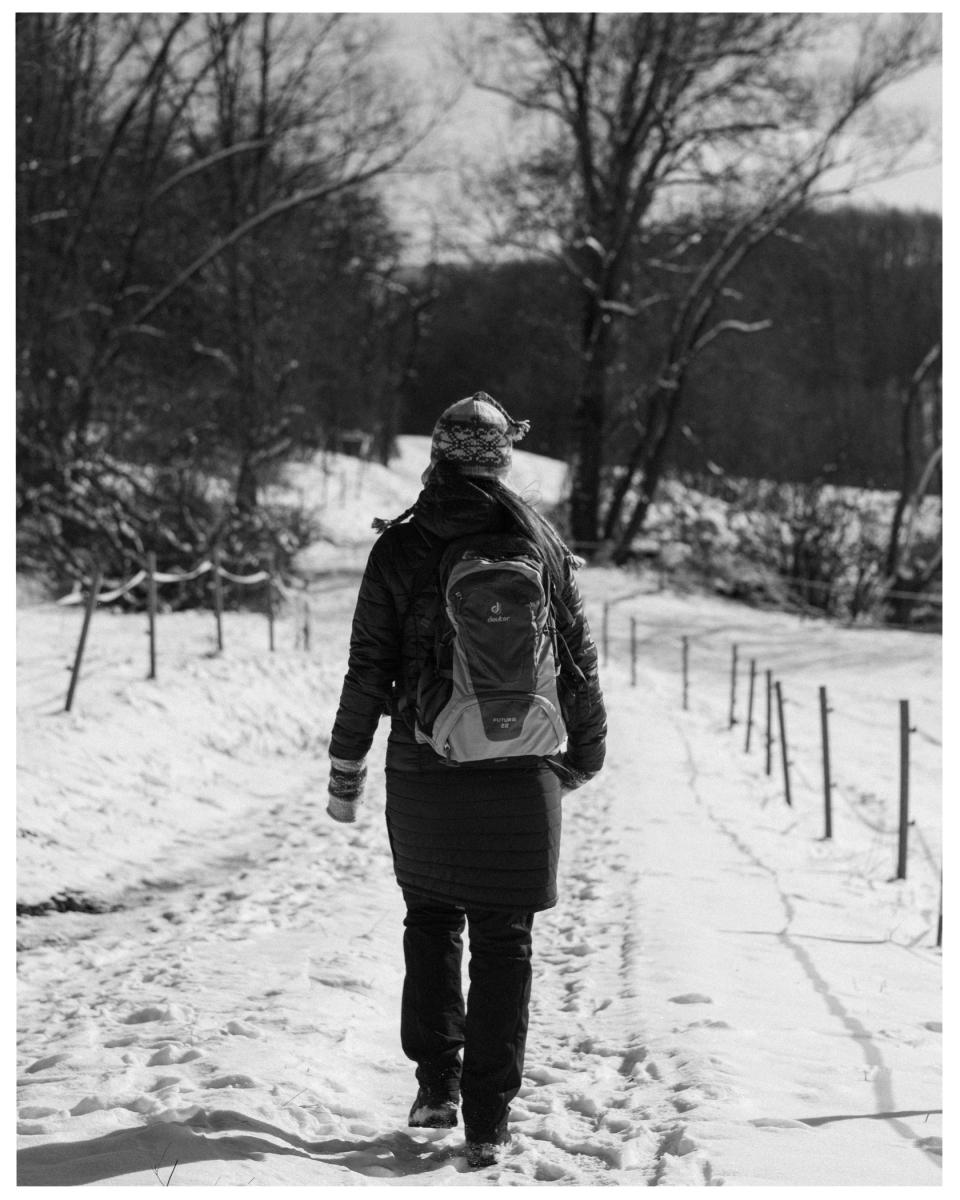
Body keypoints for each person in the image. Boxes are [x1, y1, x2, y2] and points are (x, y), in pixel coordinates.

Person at [326, 392, 607, 1168]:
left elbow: (366, 671)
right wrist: (584, 752)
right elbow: (578, 665)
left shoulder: (401, 549)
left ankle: (435, 1086)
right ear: (502, 462)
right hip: (522, 769)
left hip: (424, 763)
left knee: (432, 921)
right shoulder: (538, 544)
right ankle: (489, 1116)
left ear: (439, 457)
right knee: (506, 939)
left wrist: (346, 768)